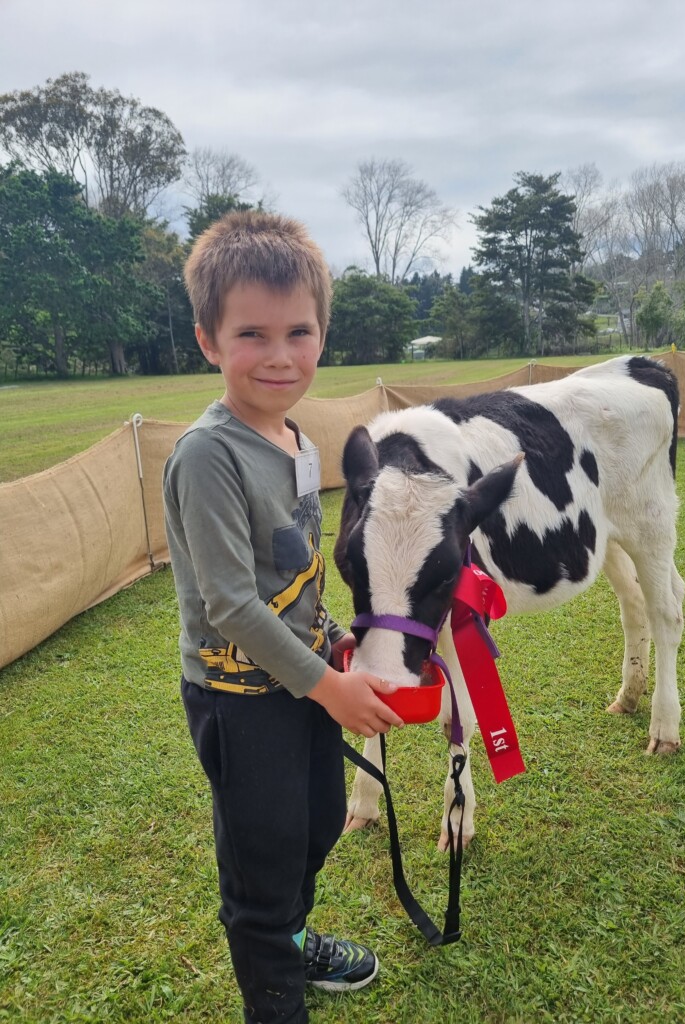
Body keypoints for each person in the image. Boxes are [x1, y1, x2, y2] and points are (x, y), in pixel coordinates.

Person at [163, 210, 403, 1024]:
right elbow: (230, 601)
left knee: (320, 823)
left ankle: (295, 942)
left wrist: (334, 639)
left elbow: (295, 567)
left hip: (302, 679)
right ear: (208, 340)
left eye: (298, 332)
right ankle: (274, 993)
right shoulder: (208, 455)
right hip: (241, 695)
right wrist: (327, 690)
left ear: (323, 335)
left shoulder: (299, 442)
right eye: (251, 334)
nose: (277, 356)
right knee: (263, 860)